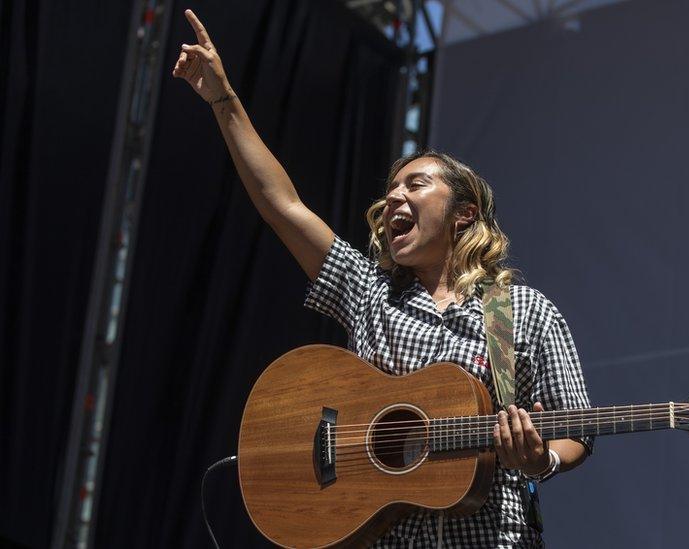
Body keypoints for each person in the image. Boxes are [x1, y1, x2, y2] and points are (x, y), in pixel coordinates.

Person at [173, 9, 592, 547]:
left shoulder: (526, 312)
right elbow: (282, 205)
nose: (395, 196)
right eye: (391, 189)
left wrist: (542, 460)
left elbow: (576, 428)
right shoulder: (368, 291)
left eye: (415, 185)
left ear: (463, 214)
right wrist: (222, 100)